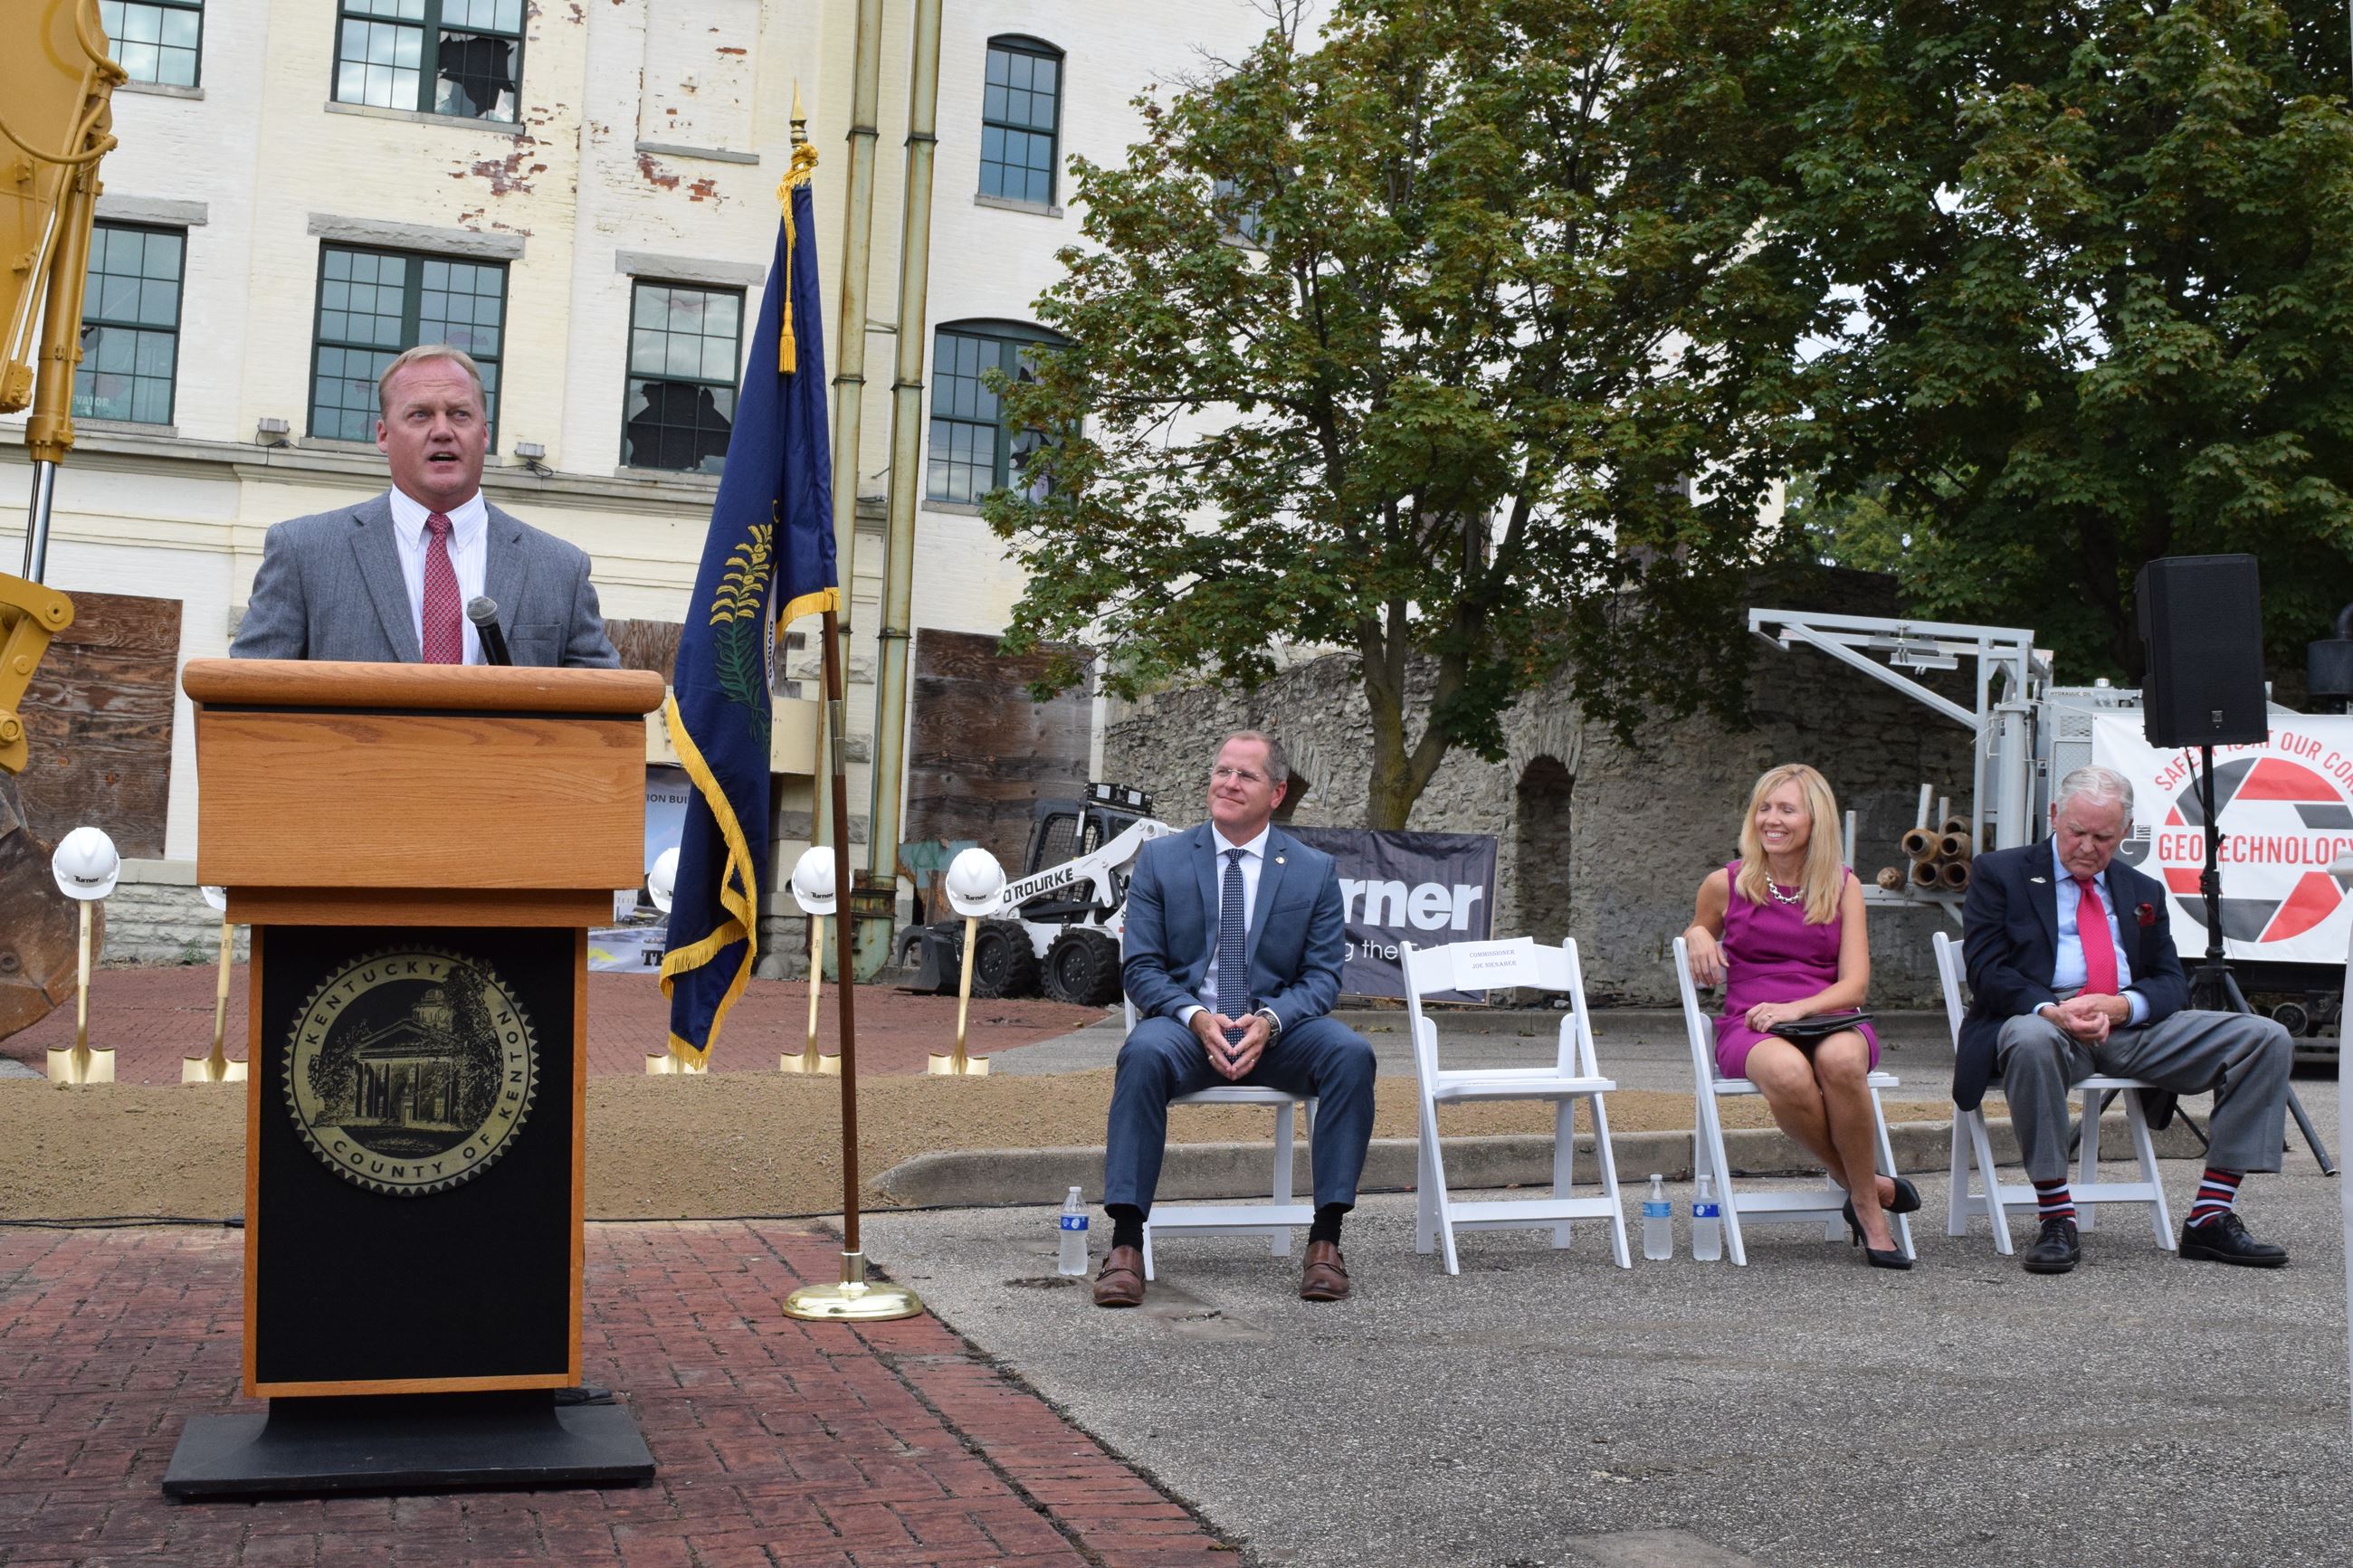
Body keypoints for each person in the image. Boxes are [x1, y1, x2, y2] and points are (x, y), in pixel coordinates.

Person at [1958, 765, 2291, 1274]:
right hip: (2044, 1022)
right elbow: (1987, 970)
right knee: (2028, 1038)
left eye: (2103, 837)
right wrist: (2054, 1009)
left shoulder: (2140, 888)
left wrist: (2121, 1006)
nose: (2088, 847)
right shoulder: (2000, 872)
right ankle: (2055, 1216)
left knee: (2265, 1036)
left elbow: (2170, 981)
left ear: (2123, 833)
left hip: (2126, 1024)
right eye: (2077, 832)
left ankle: (2210, 1215)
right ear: (2054, 816)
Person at [1094, 731, 1377, 1307]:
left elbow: (1323, 978)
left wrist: (1270, 1022)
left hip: (1278, 1034)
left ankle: (1326, 1241)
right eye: (1221, 771)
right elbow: (1141, 968)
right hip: (1184, 1029)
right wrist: (1196, 1017)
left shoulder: (1312, 870)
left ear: (1276, 793)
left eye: (1245, 775)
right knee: (1142, 1053)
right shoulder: (1163, 860)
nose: (1227, 783)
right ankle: (1126, 1245)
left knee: (1351, 1054)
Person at [231, 345, 617, 668]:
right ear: (383, 435)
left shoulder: (559, 569)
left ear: (484, 434)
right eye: (420, 415)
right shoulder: (304, 553)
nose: (443, 431)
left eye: (459, 414)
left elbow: (607, 708)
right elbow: (244, 696)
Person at [1683, 763, 1916, 1269]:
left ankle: (1863, 1200)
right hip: (1751, 1023)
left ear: (1815, 820)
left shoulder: (1841, 884)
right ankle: (1867, 1193)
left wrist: (1799, 1007)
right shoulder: (1725, 884)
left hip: (1829, 1013)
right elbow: (1697, 931)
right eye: (1765, 808)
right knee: (1788, 1073)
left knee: (1843, 1064)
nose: (1772, 819)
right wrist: (1697, 933)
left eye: (1787, 809)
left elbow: (1855, 984)